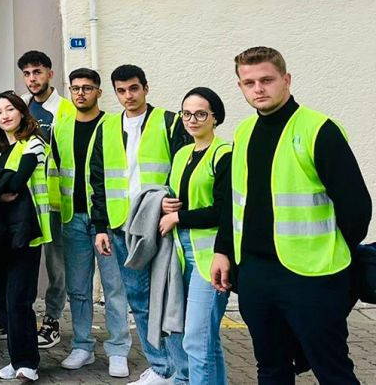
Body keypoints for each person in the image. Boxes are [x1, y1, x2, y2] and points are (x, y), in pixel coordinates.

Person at [212, 47, 371, 384]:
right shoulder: (243, 133)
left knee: (332, 369)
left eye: (267, 80)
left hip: (312, 275)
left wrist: (331, 253)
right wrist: (223, 250)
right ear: (240, 87)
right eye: (249, 82)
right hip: (255, 272)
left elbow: (357, 207)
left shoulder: (319, 129)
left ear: (286, 80)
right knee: (270, 367)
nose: (259, 88)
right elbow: (233, 201)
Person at [90, 64, 190, 385]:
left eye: (134, 88)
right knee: (137, 298)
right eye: (121, 90)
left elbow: (185, 167)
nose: (128, 96)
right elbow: (97, 179)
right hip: (121, 226)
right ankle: (161, 367)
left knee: (170, 300)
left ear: (146, 87)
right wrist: (101, 226)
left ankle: (180, 370)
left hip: (159, 225)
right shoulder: (106, 127)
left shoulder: (169, 122)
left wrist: (176, 210)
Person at [51, 69, 130, 378]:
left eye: (87, 88)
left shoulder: (114, 125)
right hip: (72, 217)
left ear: (99, 92)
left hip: (107, 220)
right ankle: (82, 346)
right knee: (78, 288)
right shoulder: (62, 127)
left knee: (114, 287)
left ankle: (118, 349)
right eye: (75, 88)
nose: (80, 93)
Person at [0, 91, 52, 383]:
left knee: (20, 300)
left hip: (25, 232)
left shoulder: (34, 143)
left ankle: (28, 364)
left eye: (10, 109)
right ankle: (15, 358)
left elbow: (18, 180)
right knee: (3, 303)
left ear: (22, 112)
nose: (5, 115)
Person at [161, 88, 231, 385]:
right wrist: (166, 204)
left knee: (195, 340)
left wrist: (178, 216)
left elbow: (223, 210)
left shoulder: (224, 153)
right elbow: (178, 195)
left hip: (211, 256)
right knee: (205, 339)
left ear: (215, 118)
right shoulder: (182, 154)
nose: (192, 119)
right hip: (182, 252)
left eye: (200, 113)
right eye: (186, 113)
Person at [17, 50, 72, 350]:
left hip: (53, 201)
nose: (32, 79)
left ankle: (52, 319)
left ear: (50, 73)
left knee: (55, 264)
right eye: (27, 74)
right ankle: (17, 316)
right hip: (24, 202)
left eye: (37, 72)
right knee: (22, 260)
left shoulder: (65, 110)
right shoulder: (21, 107)